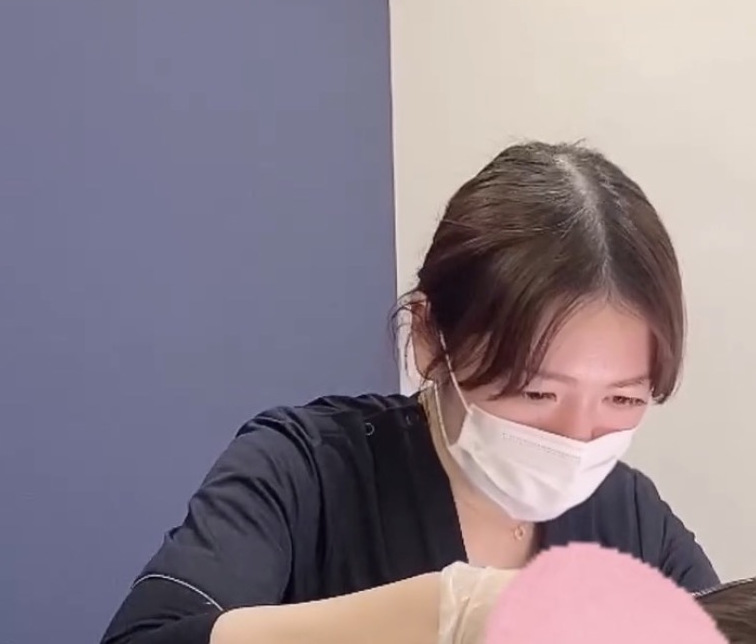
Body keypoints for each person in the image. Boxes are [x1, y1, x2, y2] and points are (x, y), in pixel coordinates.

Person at [100, 140, 718, 644]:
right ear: (428, 336)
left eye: (623, 400)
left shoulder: (628, 518)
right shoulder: (306, 473)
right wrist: (444, 614)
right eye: (535, 393)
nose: (576, 440)